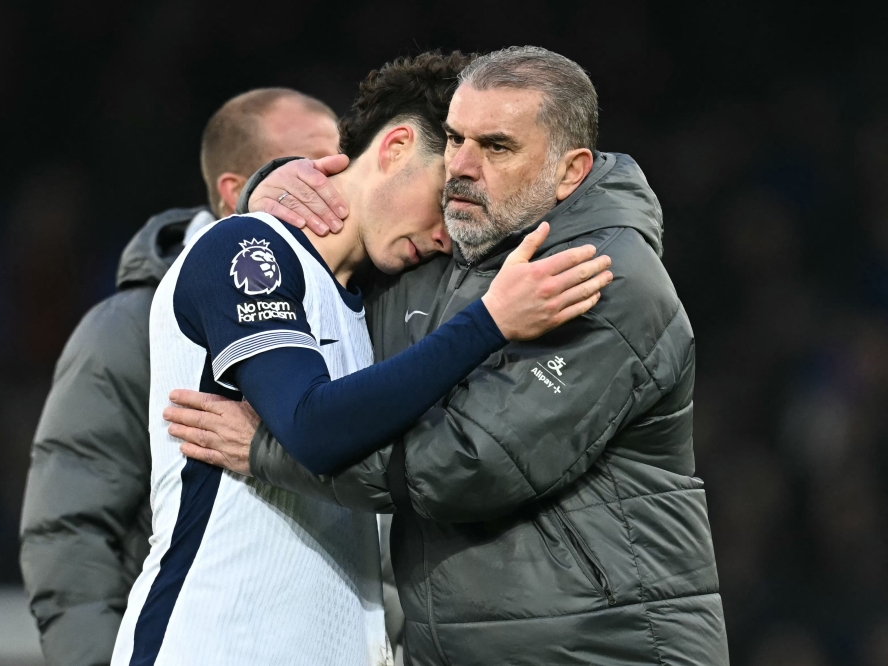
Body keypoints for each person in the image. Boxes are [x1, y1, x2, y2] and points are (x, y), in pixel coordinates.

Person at [170, 46, 730, 665]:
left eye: (496, 146)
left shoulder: (602, 277)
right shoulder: (453, 250)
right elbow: (344, 231)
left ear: (570, 173)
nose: (461, 167)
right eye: (456, 139)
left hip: (607, 648)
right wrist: (271, 188)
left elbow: (468, 464)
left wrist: (269, 450)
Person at [18, 87, 340, 666]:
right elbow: (69, 532)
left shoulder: (343, 306)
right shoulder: (129, 327)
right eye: (308, 169)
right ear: (235, 192)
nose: (333, 188)